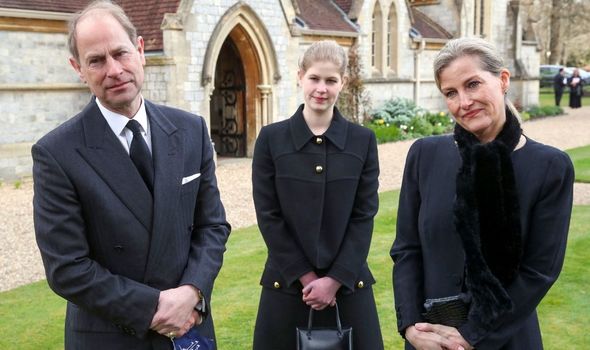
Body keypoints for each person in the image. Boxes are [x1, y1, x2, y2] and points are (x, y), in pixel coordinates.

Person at [32, 1, 230, 349]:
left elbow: (212, 226)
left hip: (190, 328)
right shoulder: (57, 153)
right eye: (96, 60)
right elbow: (67, 268)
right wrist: (155, 308)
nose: (113, 70)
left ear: (140, 50)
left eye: (120, 53)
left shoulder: (190, 130)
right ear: (78, 68)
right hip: (113, 335)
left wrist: (192, 292)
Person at [390, 37, 574, 350]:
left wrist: (472, 334)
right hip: (429, 340)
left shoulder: (549, 166)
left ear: (503, 80)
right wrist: (410, 326)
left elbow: (539, 271)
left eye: (473, 84)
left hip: (505, 339)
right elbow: (407, 250)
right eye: (451, 93)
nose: (463, 102)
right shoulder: (425, 155)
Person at [251, 40, 384, 350]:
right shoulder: (271, 139)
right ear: (300, 77)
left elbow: (364, 216)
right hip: (287, 287)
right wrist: (308, 278)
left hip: (348, 288)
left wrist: (335, 279)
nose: (321, 88)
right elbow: (268, 216)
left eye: (330, 80)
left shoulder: (362, 141)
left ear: (343, 82)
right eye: (314, 78)